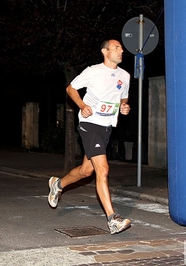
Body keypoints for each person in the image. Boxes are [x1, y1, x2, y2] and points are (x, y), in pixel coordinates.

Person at [48, 39, 132, 235]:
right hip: (89, 124)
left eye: (121, 48)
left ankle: (57, 184)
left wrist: (124, 106)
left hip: (106, 127)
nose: (121, 51)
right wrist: (82, 106)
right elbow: (71, 88)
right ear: (105, 51)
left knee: (87, 171)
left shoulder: (125, 75)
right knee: (102, 170)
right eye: (116, 48)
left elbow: (123, 97)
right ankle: (113, 220)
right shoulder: (93, 71)